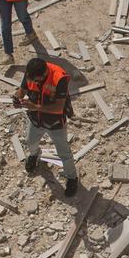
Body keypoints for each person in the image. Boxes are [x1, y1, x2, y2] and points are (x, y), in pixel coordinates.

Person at [14, 58, 78, 197]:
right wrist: (17, 97)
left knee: (63, 153)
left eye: (37, 80)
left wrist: (35, 106)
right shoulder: (31, 72)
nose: (35, 82)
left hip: (55, 123)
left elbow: (59, 107)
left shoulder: (59, 78)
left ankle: (72, 178)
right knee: (30, 141)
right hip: (36, 119)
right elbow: (23, 88)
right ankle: (35, 155)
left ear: (44, 74)